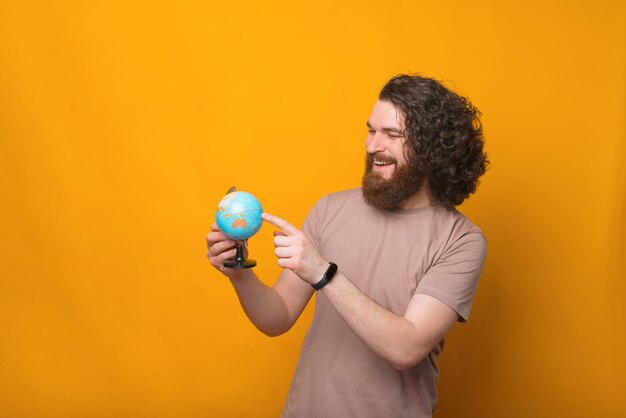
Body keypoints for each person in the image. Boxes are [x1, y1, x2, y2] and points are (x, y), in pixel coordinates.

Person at [207, 74, 488, 418]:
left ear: (431, 148)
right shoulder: (330, 210)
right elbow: (276, 318)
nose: (372, 146)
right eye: (371, 131)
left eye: (391, 135)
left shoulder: (460, 240)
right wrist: (237, 271)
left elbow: (406, 347)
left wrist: (323, 273)